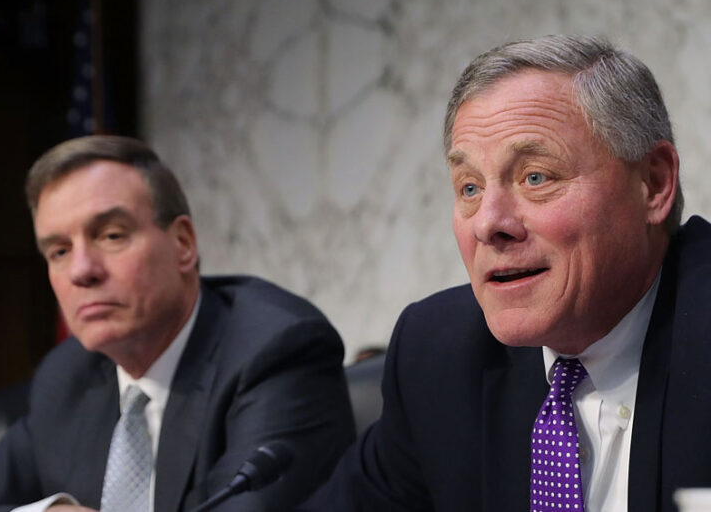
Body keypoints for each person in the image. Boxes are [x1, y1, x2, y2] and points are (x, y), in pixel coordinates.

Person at [297, 35, 711, 512]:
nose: (489, 223)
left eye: (536, 177)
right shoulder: (439, 357)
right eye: (469, 187)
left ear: (654, 184)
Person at [0, 136, 355, 512]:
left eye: (110, 235)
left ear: (183, 244)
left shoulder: (275, 352)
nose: (81, 271)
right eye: (58, 251)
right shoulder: (68, 375)